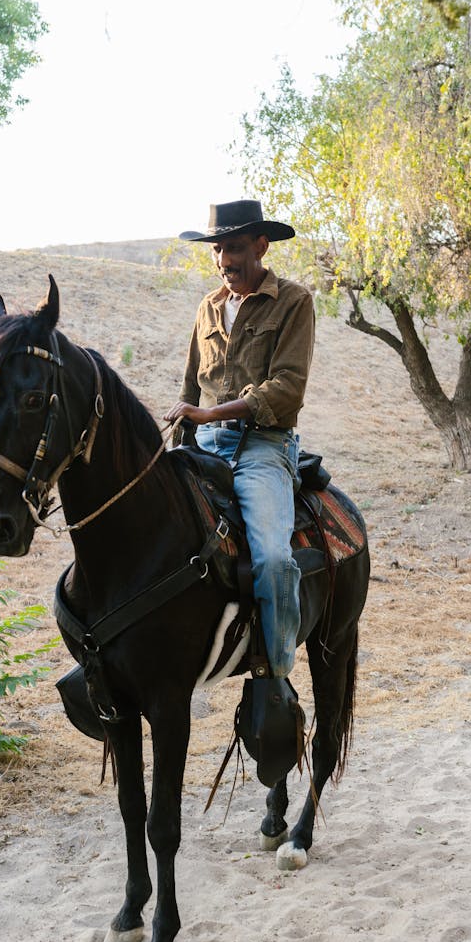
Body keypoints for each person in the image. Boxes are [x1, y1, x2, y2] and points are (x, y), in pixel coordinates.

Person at [165, 199, 314, 680]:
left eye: (233, 248)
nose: (223, 260)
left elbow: (287, 388)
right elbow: (191, 385)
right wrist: (177, 434)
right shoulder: (208, 307)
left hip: (262, 447)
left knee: (271, 556)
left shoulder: (294, 302)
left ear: (261, 246)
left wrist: (212, 412)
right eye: (216, 249)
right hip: (201, 445)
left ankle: (277, 674)